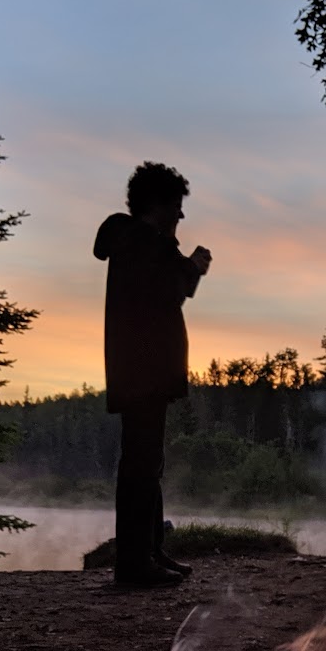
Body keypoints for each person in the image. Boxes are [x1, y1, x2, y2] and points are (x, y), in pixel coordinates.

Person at [93, 162, 212, 588]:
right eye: (176, 205)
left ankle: (149, 551)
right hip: (143, 370)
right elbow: (170, 291)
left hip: (139, 369)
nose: (181, 214)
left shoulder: (138, 241)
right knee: (140, 466)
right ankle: (134, 565)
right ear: (157, 205)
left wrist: (181, 260)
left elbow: (168, 286)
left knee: (148, 463)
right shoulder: (142, 242)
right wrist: (193, 264)